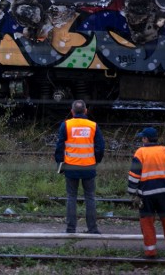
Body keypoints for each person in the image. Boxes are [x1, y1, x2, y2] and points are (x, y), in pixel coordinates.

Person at [127, 127, 165, 259]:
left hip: (146, 195)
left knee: (147, 223)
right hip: (164, 194)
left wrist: (132, 191)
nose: (142, 139)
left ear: (146, 139)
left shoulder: (140, 153)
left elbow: (134, 175)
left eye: (143, 137)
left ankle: (151, 251)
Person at [54, 99, 105, 234]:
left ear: (72, 112)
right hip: (88, 167)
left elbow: (59, 147)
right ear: (86, 111)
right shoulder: (93, 125)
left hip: (71, 167)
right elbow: (100, 147)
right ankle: (93, 229)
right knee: (90, 197)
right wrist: (95, 161)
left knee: (71, 197)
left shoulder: (66, 125)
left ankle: (71, 229)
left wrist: (60, 164)